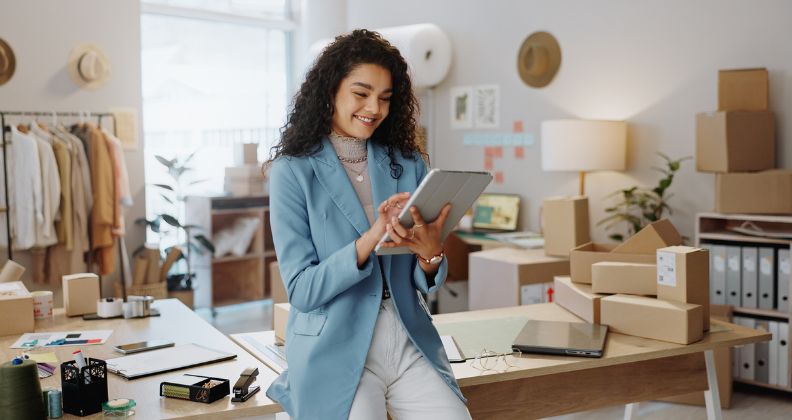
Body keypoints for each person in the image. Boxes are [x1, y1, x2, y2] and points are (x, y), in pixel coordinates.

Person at [265, 29, 471, 420]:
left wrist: (431, 255)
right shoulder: (291, 172)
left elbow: (421, 273)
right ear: (330, 91)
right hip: (335, 344)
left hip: (407, 337)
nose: (374, 108)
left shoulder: (409, 163)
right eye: (361, 94)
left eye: (386, 98)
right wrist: (371, 238)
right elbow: (303, 291)